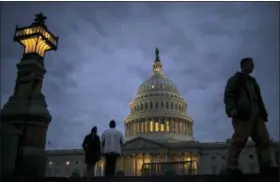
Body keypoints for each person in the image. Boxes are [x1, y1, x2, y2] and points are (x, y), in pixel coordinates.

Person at [224, 57, 274, 175]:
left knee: (264, 139)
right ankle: (231, 166)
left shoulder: (253, 82)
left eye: (252, 64)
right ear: (244, 65)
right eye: (250, 64)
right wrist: (231, 109)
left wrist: (263, 112)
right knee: (239, 141)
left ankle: (266, 165)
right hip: (243, 113)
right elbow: (228, 95)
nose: (252, 66)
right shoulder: (236, 79)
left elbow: (259, 98)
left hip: (256, 114)